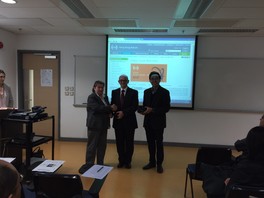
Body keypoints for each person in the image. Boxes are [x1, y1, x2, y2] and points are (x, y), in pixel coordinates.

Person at [79, 80, 117, 174]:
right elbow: (97, 108)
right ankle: (89, 165)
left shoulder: (105, 97)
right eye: (99, 87)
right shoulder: (91, 97)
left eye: (102, 87)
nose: (100, 89)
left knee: (102, 146)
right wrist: (110, 108)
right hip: (94, 125)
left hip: (104, 125)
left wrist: (111, 113)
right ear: (94, 87)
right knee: (92, 146)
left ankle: (100, 164)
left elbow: (106, 108)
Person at [139, 71, 170, 173]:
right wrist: (143, 111)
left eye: (156, 78)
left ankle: (159, 164)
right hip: (148, 122)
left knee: (159, 144)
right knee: (150, 143)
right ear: (149, 80)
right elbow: (144, 105)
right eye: (152, 78)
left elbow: (166, 108)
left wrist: (152, 110)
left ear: (160, 80)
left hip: (159, 123)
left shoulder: (165, 92)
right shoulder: (146, 91)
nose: (154, 80)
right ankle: (152, 162)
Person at [111, 74, 138, 169]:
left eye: (124, 80)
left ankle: (128, 161)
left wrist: (124, 112)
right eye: (121, 80)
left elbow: (135, 106)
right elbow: (113, 106)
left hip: (130, 122)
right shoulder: (114, 92)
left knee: (129, 143)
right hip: (118, 122)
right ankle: (121, 161)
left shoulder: (134, 92)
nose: (122, 82)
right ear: (118, 81)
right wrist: (112, 110)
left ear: (128, 81)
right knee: (119, 143)